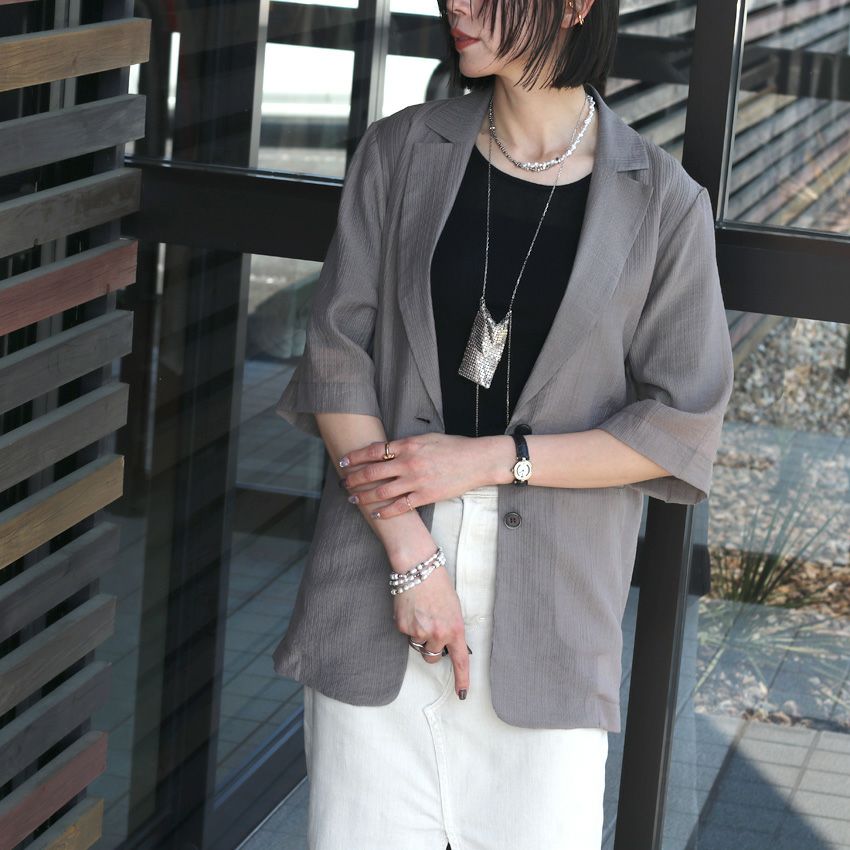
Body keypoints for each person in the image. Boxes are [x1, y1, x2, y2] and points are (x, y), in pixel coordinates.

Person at [272, 0, 735, 847]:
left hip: (549, 626)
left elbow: (679, 426)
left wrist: (493, 459)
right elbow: (337, 356)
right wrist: (411, 557)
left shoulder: (664, 203)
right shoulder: (402, 151)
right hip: (378, 585)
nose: (456, 3)